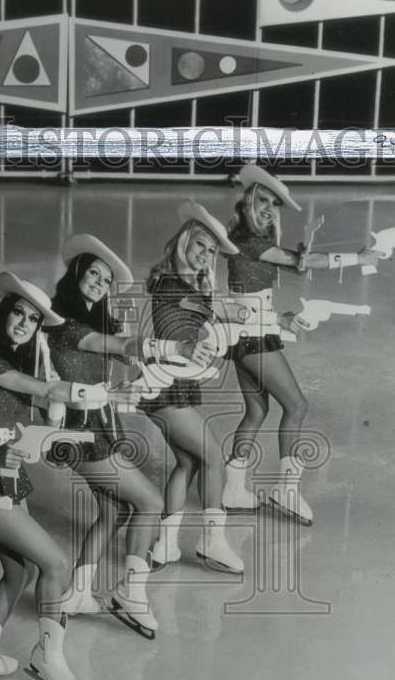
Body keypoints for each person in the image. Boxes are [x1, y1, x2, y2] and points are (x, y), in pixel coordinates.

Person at [0, 272, 140, 680]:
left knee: (22, 570)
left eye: (33, 320)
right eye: (17, 313)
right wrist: (68, 391)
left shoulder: (19, 362)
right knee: (55, 564)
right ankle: (48, 656)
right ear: (3, 314)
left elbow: (43, 414)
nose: (22, 323)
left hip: (6, 477)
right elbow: (36, 388)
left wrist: (69, 402)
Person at [220, 165, 382, 524]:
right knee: (296, 406)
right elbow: (300, 263)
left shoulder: (247, 238)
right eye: (263, 201)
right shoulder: (249, 241)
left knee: (257, 412)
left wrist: (280, 318)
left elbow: (251, 293)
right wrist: (360, 258)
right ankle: (286, 491)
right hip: (253, 338)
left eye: (275, 205)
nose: (268, 209)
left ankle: (233, 488)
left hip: (253, 332)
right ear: (248, 200)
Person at [46, 234, 166, 640]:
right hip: (81, 434)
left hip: (96, 428)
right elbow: (105, 344)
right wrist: (155, 346)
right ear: (77, 274)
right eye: (94, 273)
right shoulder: (64, 323)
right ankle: (131, 595)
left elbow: (121, 352)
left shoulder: (93, 318)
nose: (100, 281)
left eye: (106, 278)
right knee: (151, 500)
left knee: (114, 511)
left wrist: (145, 360)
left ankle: (79, 594)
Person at [142, 200, 245, 575]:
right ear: (185, 241)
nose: (205, 255)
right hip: (165, 390)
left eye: (212, 252)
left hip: (173, 388)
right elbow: (199, 310)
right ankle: (212, 541)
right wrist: (237, 313)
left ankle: (165, 545)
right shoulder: (170, 283)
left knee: (188, 461)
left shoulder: (188, 285)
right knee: (214, 458)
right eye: (201, 245)